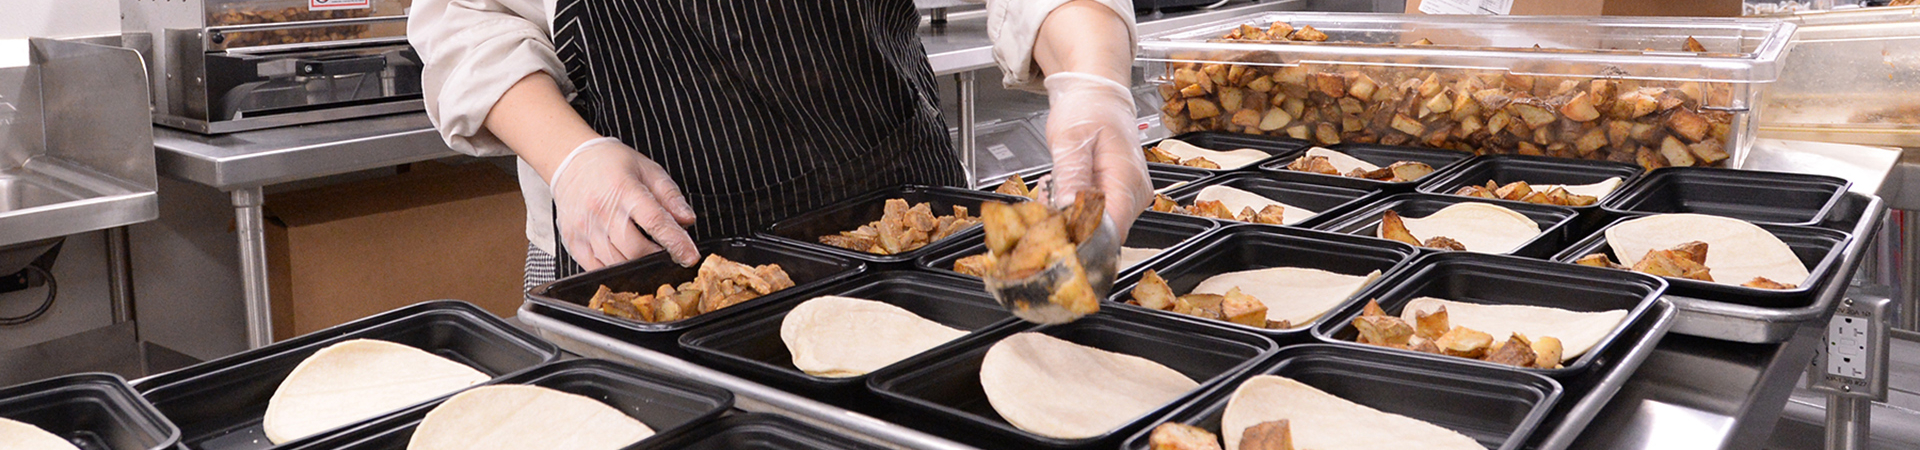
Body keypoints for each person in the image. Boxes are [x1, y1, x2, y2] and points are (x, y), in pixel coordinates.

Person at [409, 0, 1152, 292]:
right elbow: (465, 20)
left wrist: (1092, 81)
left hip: (902, 217)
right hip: (642, 250)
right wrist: (568, 155)